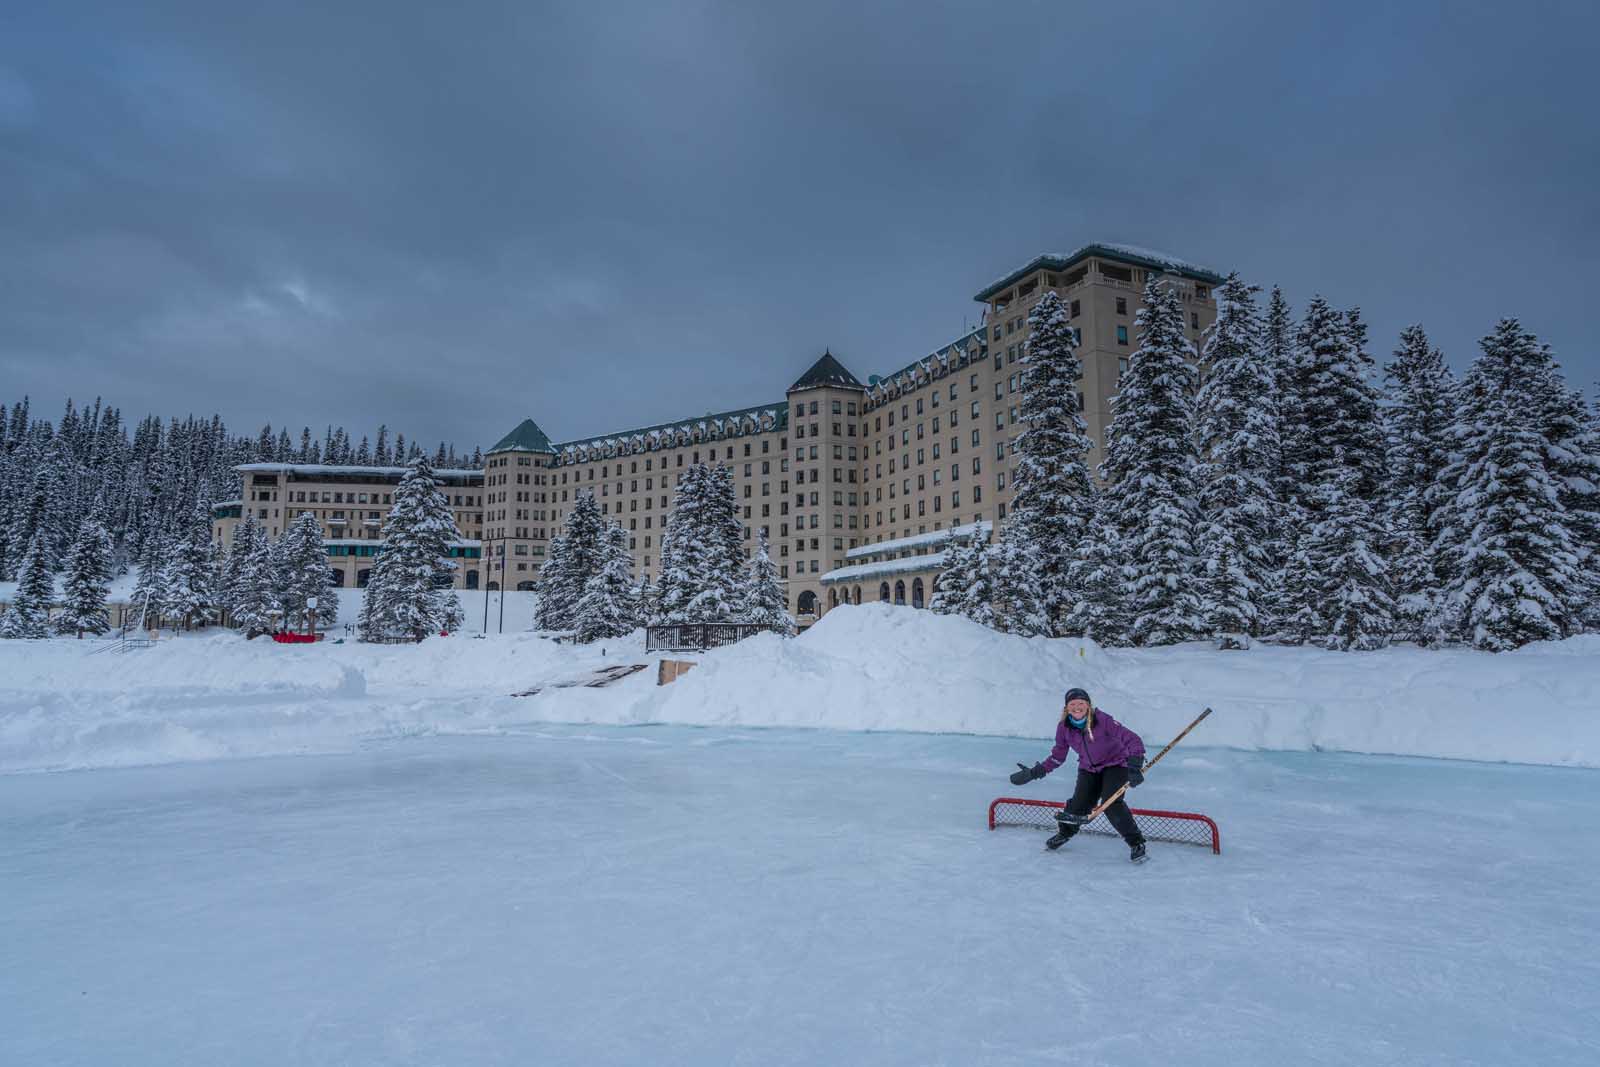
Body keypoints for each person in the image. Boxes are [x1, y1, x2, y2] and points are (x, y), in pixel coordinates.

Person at [1008, 687, 1148, 863]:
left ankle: (1136, 843)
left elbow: (1132, 740)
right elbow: (1058, 757)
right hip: (1088, 769)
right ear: (1066, 708)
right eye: (1072, 704)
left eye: (1081, 703)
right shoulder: (1064, 728)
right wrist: (1034, 773)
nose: (1077, 707)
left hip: (1116, 765)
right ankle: (1064, 833)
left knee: (1111, 803)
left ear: (1088, 705)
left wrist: (1134, 766)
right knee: (1078, 805)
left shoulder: (1103, 720)